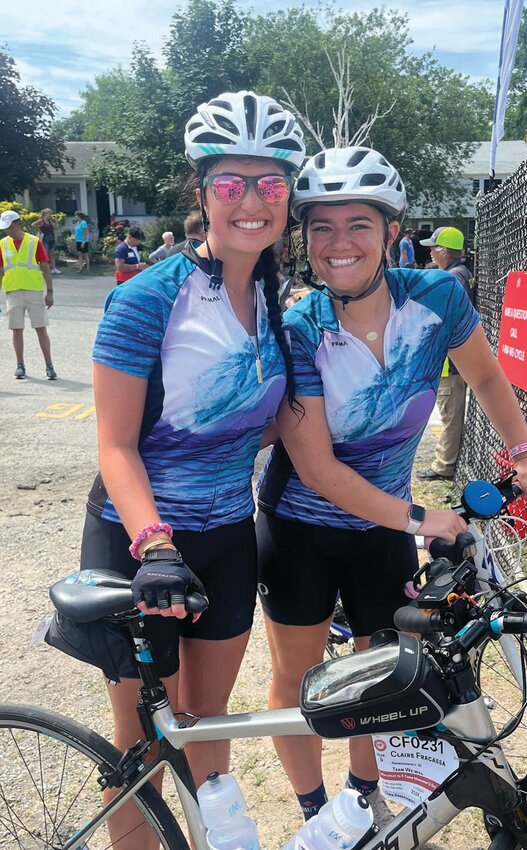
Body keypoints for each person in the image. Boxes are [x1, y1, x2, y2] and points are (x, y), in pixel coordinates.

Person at [256, 146, 527, 823]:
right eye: (321, 227)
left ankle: (364, 800)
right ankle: (313, 815)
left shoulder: (437, 297)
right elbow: (320, 469)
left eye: (358, 224)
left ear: (393, 231)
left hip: (385, 528)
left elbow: (483, 376)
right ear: (304, 238)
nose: (338, 243)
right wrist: (424, 518)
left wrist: (526, 451)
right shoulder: (301, 327)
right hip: (301, 526)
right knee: (297, 679)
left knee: (380, 675)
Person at [77, 90, 304, 848]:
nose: (251, 201)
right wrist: (156, 546)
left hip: (227, 535)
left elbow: (258, 419)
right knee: (142, 741)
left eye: (270, 184)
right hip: (145, 545)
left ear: (288, 197)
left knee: (209, 722)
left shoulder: (279, 298)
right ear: (200, 192)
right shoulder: (147, 298)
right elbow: (115, 446)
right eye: (231, 183)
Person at [416, 226, 474, 482]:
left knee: (450, 413)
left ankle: (444, 466)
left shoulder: (453, 278)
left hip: (450, 362)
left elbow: (448, 320)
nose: (430, 251)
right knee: (450, 411)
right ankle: (446, 461)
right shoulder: (459, 273)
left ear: (444, 251)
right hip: (453, 360)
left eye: (434, 247)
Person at [0, 209, 58, 380]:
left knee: (41, 329)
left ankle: (49, 366)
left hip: (34, 291)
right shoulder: (2, 244)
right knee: (16, 330)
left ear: (17, 223)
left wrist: (50, 292)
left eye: (9, 227)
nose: (6, 231)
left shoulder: (34, 242)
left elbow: (45, 267)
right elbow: (1, 270)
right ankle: (20, 366)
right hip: (13, 292)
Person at [32, 208, 61, 274]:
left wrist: (56, 222)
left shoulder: (50, 221)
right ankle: (44, 269)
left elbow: (56, 228)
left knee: (52, 254)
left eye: (51, 213)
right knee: (45, 255)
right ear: (45, 214)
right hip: (45, 239)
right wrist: (39, 230)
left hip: (52, 238)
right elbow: (33, 224)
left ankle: (54, 268)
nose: (50, 215)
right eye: (49, 213)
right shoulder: (41, 220)